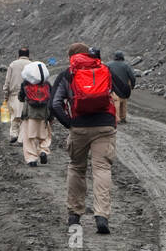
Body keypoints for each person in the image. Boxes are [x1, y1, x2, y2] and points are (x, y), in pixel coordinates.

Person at [52, 42, 116, 235]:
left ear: (71, 57)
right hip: (104, 124)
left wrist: (70, 123)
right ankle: (102, 215)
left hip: (79, 126)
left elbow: (54, 104)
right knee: (102, 168)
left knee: (76, 167)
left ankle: (74, 214)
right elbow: (125, 91)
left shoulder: (67, 74)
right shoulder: (104, 69)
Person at [18, 60, 53, 166]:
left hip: (29, 115)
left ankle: (32, 159)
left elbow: (21, 98)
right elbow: (51, 99)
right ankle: (43, 151)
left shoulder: (26, 84)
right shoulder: (47, 84)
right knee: (45, 136)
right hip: (44, 115)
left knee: (29, 138)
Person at [1, 47, 31, 144]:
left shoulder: (13, 64)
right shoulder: (31, 65)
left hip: (14, 94)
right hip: (28, 95)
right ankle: (22, 138)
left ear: (18, 55)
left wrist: (5, 94)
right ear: (28, 55)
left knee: (14, 116)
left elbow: (7, 81)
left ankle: (14, 134)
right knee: (24, 117)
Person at [107, 51, 137, 124]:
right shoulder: (126, 65)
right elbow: (132, 77)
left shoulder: (108, 65)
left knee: (115, 102)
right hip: (124, 88)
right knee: (123, 102)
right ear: (122, 57)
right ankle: (123, 118)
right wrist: (132, 85)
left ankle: (117, 118)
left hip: (113, 88)